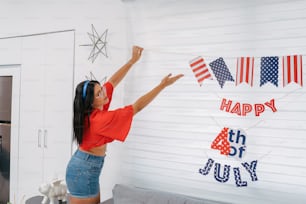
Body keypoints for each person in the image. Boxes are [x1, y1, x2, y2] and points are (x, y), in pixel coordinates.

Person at [65, 46, 184, 204]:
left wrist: (132, 61)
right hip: (84, 170)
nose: (104, 93)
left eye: (101, 89)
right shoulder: (99, 120)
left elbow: (113, 82)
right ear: (91, 102)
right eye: (99, 93)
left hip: (85, 167)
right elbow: (137, 107)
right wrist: (162, 86)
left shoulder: (96, 107)